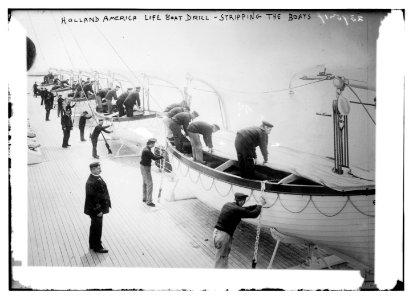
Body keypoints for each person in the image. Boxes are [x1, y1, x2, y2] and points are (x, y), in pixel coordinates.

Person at [213, 192, 266, 268]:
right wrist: (260, 205)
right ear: (239, 200)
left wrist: (257, 205)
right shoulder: (237, 209)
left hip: (217, 233)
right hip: (223, 236)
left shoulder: (228, 204)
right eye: (243, 200)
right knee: (221, 258)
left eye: (244, 200)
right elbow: (254, 214)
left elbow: (244, 209)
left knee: (222, 257)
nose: (244, 202)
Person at [84, 161, 111, 253]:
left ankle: (92, 244)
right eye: (98, 168)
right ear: (93, 169)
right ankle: (97, 247)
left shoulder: (95, 177)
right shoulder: (91, 182)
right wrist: (99, 210)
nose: (100, 169)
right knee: (97, 228)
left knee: (94, 227)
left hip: (96, 209)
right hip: (96, 210)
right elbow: (92, 198)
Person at [140, 138, 163, 207]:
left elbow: (153, 156)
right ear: (151, 144)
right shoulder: (147, 151)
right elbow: (154, 158)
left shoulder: (146, 148)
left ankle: (145, 198)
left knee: (144, 183)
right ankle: (149, 202)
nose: (154, 145)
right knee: (150, 184)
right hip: (146, 168)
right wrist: (162, 156)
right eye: (153, 144)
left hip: (143, 167)